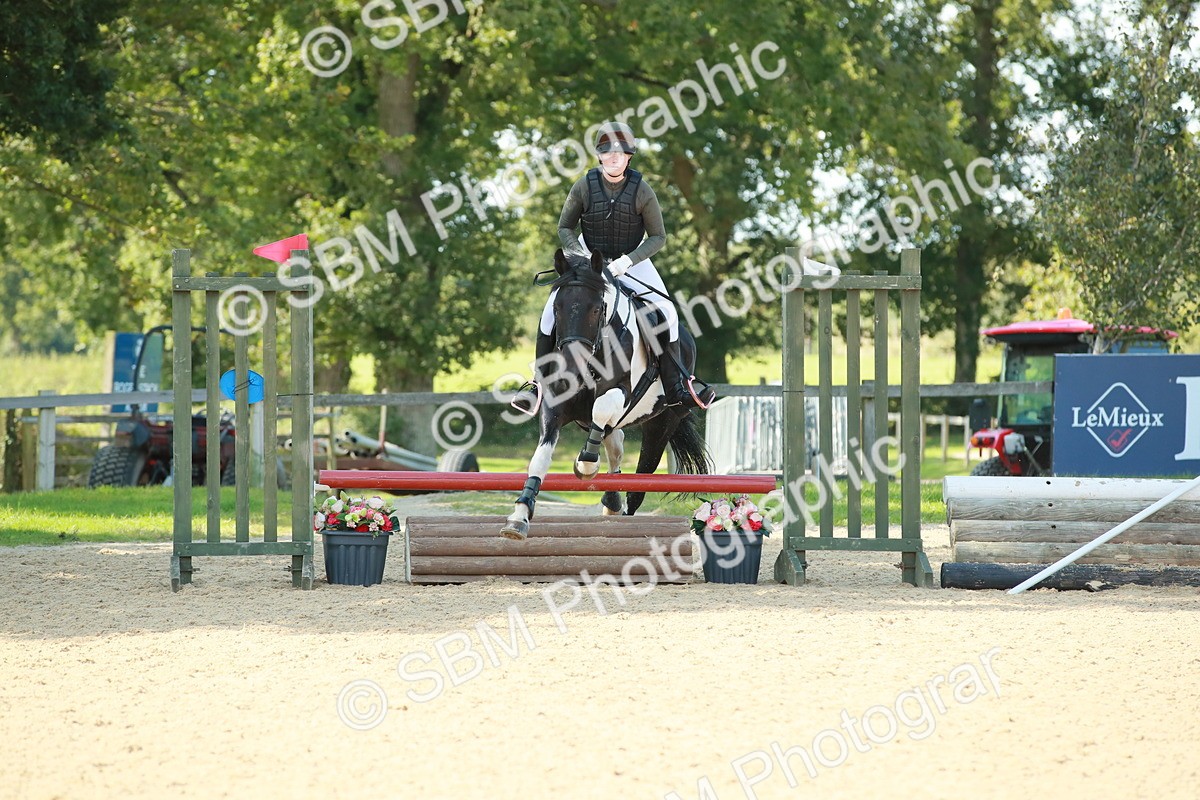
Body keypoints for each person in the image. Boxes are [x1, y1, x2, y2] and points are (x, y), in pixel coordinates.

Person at [513, 121, 715, 415]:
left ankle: (675, 387)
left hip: (631, 260)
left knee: (668, 313)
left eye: (620, 155)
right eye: (608, 155)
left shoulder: (642, 190)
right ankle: (537, 385)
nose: (614, 159)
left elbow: (659, 237)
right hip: (588, 259)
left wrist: (627, 261)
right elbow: (564, 227)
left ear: (628, 158)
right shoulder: (583, 185)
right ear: (600, 157)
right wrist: (579, 253)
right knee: (550, 310)